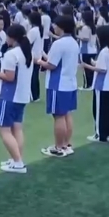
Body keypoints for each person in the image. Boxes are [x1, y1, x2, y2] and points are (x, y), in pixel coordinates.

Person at [0, 24, 32, 173]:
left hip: (9, 96)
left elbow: (9, 77)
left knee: (4, 130)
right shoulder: (26, 52)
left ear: (12, 37)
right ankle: (17, 159)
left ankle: (18, 162)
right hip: (21, 96)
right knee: (17, 128)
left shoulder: (11, 54)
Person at [34, 16, 80, 158]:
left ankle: (58, 147)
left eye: (56, 25)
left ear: (62, 27)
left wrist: (38, 61)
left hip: (58, 84)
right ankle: (66, 144)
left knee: (59, 116)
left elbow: (51, 65)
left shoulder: (59, 43)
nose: (54, 27)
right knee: (67, 114)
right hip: (70, 83)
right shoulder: (74, 42)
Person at [81, 25, 109, 142]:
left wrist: (86, 65)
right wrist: (94, 63)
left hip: (102, 86)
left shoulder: (104, 51)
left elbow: (102, 69)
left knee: (99, 111)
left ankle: (99, 134)